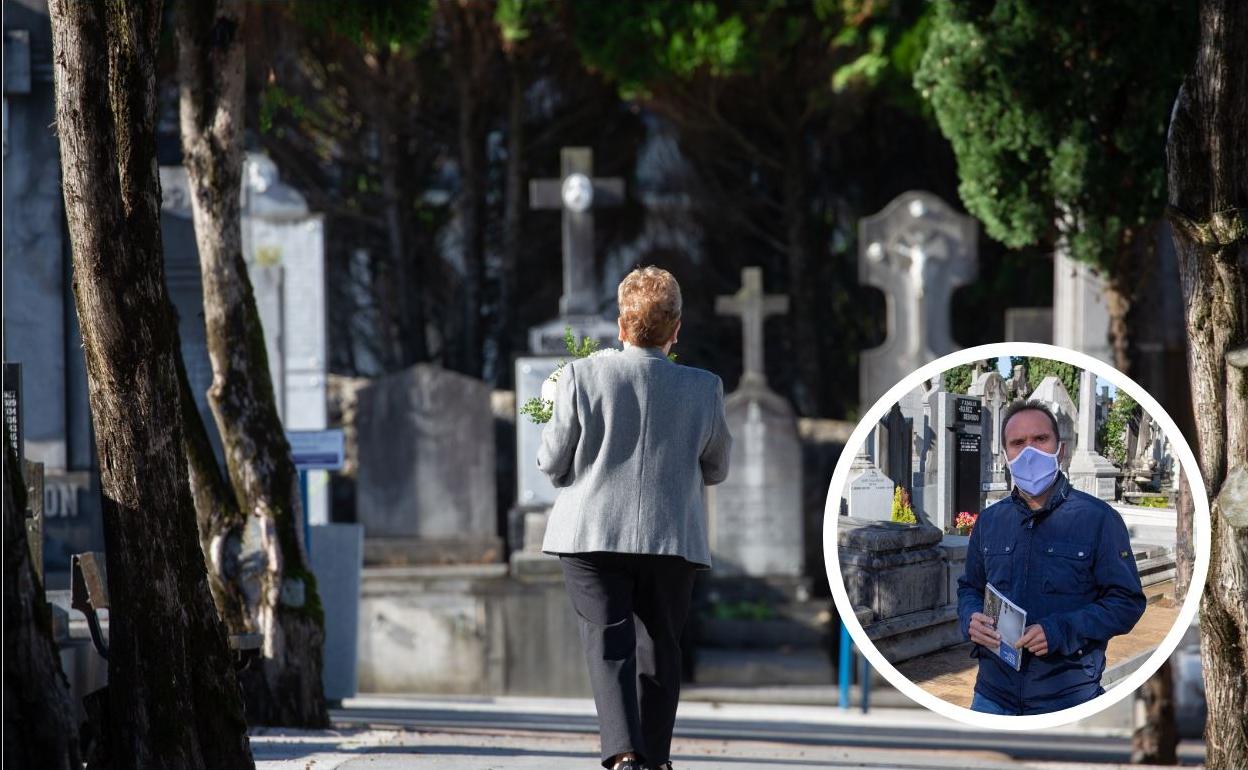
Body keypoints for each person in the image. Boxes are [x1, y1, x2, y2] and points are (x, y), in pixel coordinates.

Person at [538, 266, 732, 770]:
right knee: (660, 645)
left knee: (609, 642)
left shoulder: (580, 376)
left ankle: (624, 752)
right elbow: (716, 467)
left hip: (591, 530)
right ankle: (656, 758)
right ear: (676, 329)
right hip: (671, 534)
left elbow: (553, 462)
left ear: (621, 327)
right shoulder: (705, 387)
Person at [957, 399, 1146, 715]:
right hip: (992, 695)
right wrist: (970, 618)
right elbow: (970, 588)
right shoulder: (990, 521)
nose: (1029, 452)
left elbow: (1126, 602)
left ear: (1061, 449)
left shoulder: (1098, 519)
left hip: (1069, 697)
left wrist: (1062, 631)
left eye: (1040, 439)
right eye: (1017, 443)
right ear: (1005, 456)